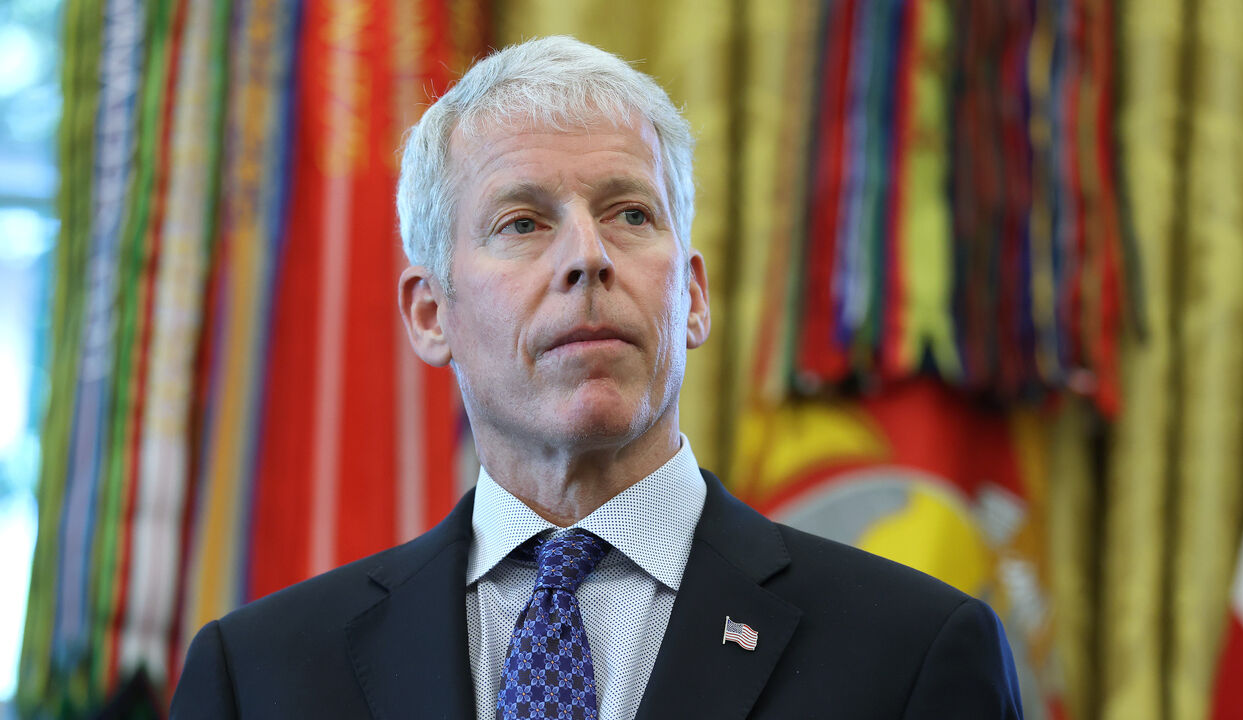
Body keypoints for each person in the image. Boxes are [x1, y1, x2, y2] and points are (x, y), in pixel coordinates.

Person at [171, 35, 1023, 719]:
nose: (588, 257)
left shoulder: (912, 653)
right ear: (431, 315)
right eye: (523, 222)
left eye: (629, 213)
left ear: (690, 296)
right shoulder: (259, 676)